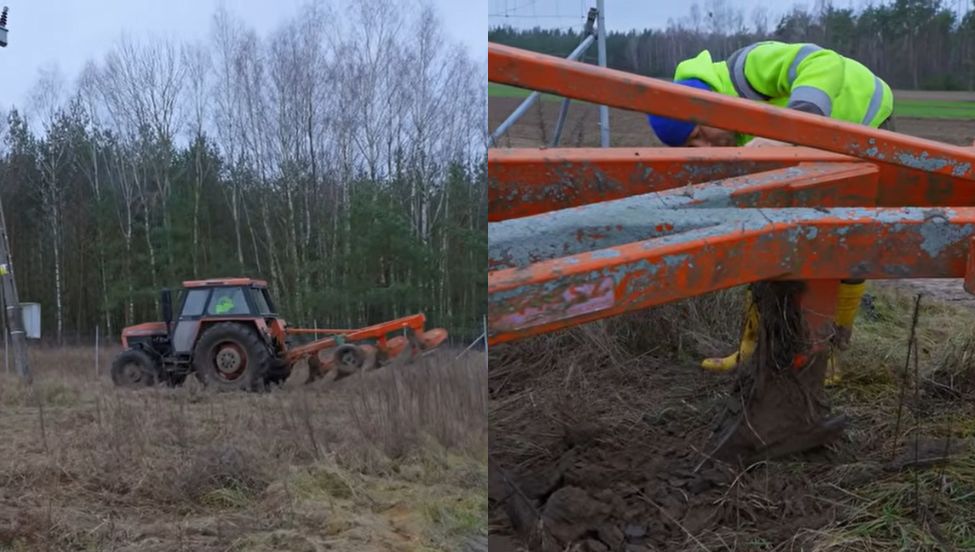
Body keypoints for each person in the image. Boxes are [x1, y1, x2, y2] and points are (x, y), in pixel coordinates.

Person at [648, 41, 894, 380]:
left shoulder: (746, 70)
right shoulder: (730, 135)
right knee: (762, 235)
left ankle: (831, 355)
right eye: (693, 146)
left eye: (701, 133)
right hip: (815, 150)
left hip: (865, 125)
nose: (706, 147)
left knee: (848, 246)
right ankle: (752, 348)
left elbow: (822, 61)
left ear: (708, 105)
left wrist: (788, 132)